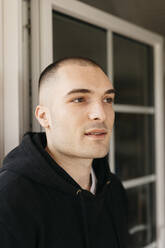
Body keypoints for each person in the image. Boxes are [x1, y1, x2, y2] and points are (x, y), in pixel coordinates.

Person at [0, 57, 128, 248]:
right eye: (79, 99)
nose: (100, 114)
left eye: (107, 99)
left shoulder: (114, 188)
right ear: (44, 117)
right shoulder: (10, 200)